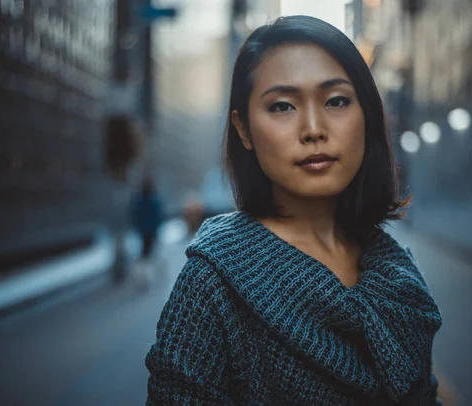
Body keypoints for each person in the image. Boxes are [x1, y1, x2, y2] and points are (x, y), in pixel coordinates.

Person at [146, 16, 443, 405]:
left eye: (336, 101)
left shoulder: (397, 272)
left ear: (367, 116)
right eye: (283, 106)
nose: (314, 129)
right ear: (244, 130)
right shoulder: (212, 282)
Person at [131, 176, 164, 263]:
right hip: (146, 230)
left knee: (149, 250)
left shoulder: (150, 199)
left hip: (149, 230)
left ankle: (148, 265)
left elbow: (157, 215)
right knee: (147, 250)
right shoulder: (143, 200)